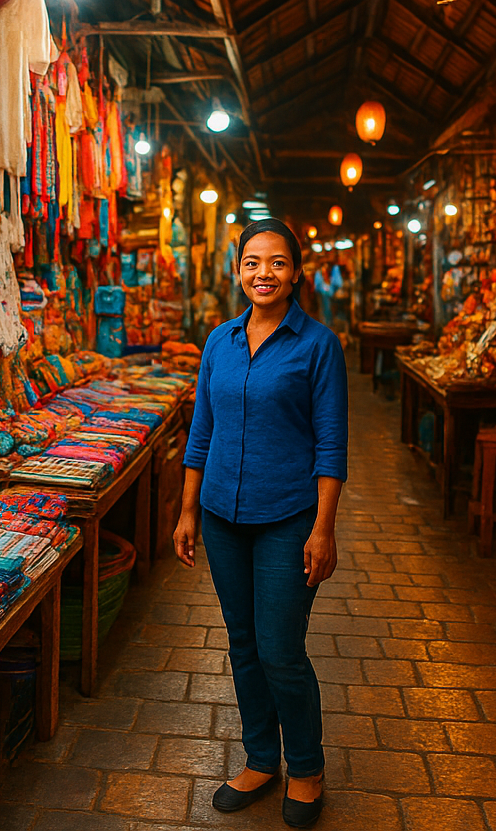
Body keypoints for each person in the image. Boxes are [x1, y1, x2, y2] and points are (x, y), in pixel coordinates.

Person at [174, 217, 349, 828]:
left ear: (296, 272)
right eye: (252, 262)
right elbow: (202, 431)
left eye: (276, 263)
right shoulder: (218, 343)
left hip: (286, 519)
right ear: (238, 270)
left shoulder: (317, 345)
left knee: (280, 650)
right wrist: (189, 509)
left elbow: (331, 443)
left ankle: (306, 767)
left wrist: (323, 528)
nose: (263, 273)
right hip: (223, 516)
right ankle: (259, 759)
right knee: (242, 643)